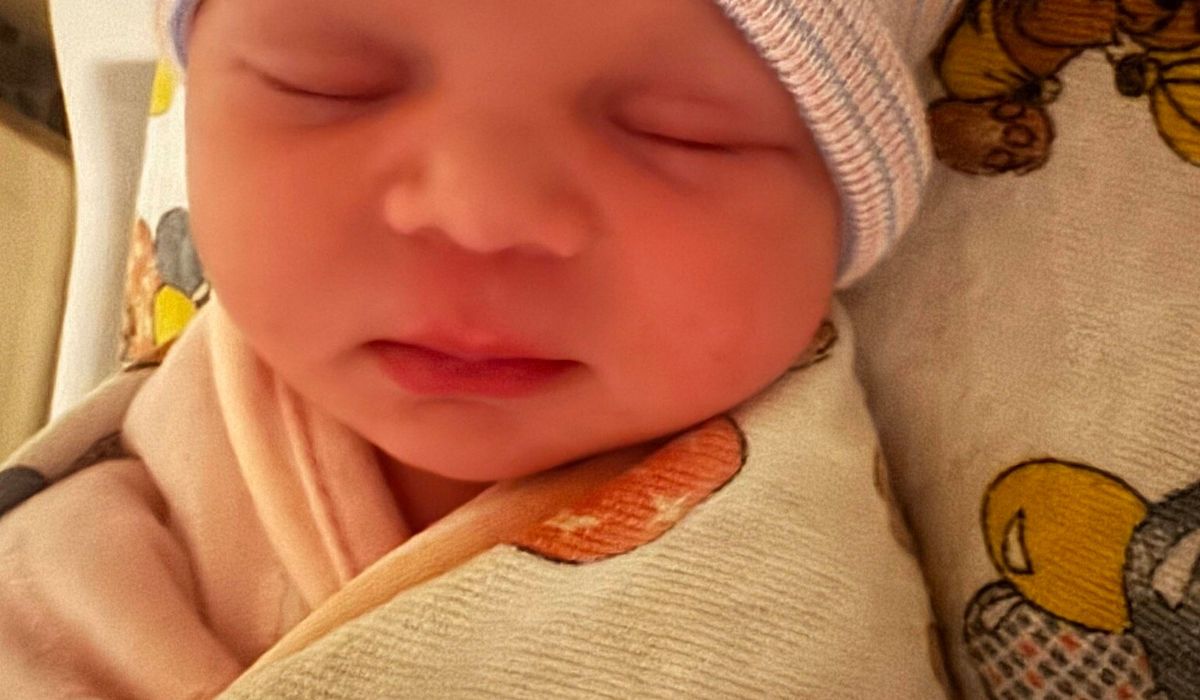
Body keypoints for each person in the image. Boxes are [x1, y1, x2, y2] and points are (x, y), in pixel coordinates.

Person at [0, 0, 948, 697]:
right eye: (326, 82)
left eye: (681, 132)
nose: (481, 213)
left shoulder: (793, 608)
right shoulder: (102, 521)